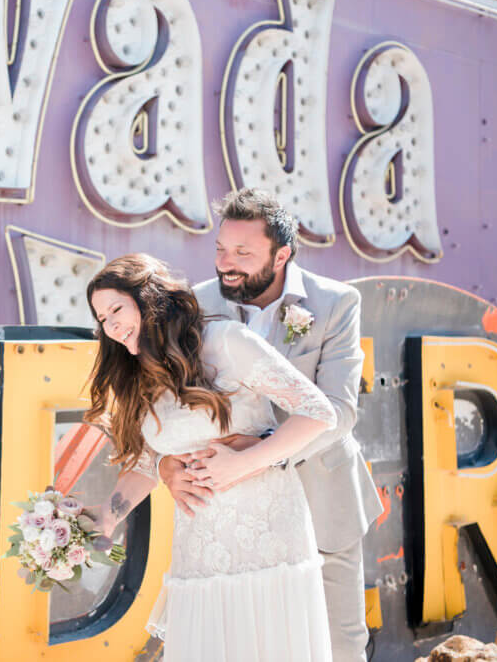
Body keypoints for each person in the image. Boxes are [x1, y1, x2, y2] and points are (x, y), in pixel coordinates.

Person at [157, 188, 383, 662]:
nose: (226, 262)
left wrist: (255, 453)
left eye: (243, 252)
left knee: (340, 645)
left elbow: (339, 410)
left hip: (324, 495)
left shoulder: (337, 303)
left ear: (282, 254)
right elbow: (164, 399)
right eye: (220, 248)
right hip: (236, 514)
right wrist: (165, 466)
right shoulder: (192, 305)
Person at [87, 253, 336, 662]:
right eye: (101, 319)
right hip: (199, 550)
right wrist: (108, 518)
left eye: (116, 309)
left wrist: (245, 461)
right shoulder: (142, 375)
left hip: (268, 542)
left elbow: (317, 413)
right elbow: (149, 463)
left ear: (150, 298)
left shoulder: (226, 342)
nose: (110, 326)